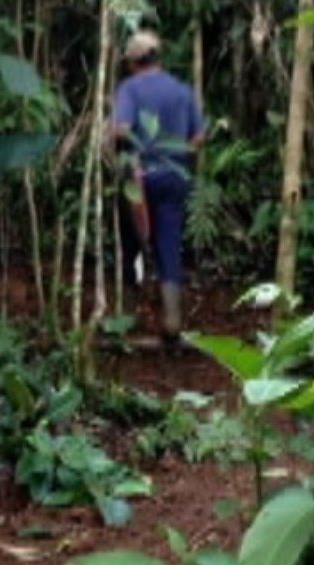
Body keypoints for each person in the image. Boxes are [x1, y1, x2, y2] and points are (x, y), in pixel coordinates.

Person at [112, 30, 205, 352]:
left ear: (134, 62)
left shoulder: (130, 89)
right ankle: (172, 319)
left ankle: (125, 315)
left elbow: (121, 129)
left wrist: (123, 152)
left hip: (138, 176)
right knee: (168, 240)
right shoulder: (181, 90)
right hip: (174, 174)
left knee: (130, 240)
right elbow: (198, 137)